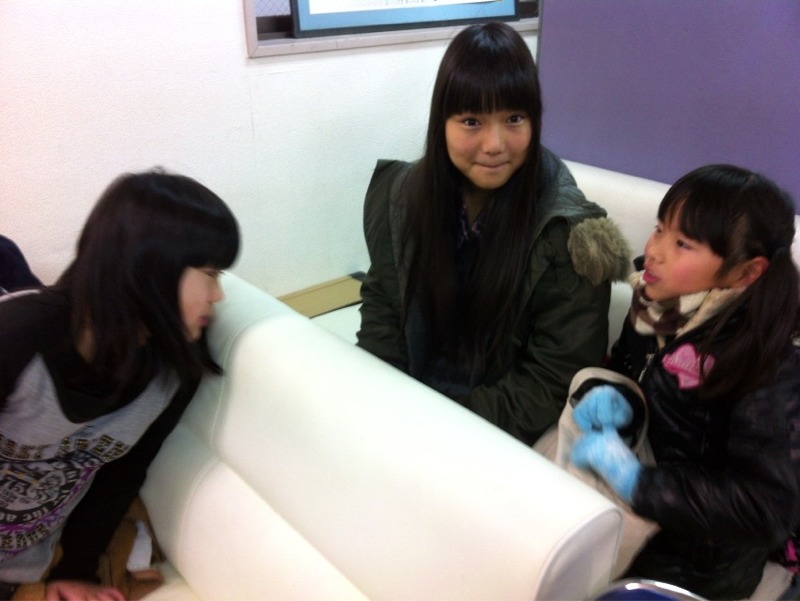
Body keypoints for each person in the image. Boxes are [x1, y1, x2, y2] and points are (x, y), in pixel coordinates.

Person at [356, 21, 630, 446]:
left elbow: (550, 381)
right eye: (471, 121)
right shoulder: (401, 197)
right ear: (442, 122)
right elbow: (383, 317)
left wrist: (438, 424)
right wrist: (380, 403)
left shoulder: (572, 236)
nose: (495, 144)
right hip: (410, 409)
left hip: (493, 434)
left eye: (514, 119)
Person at [556, 164, 800, 599]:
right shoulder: (657, 305)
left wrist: (638, 483)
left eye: (682, 243)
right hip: (628, 512)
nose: (654, 250)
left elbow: (766, 508)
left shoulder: (769, 362)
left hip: (696, 565)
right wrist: (617, 396)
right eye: (659, 229)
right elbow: (631, 366)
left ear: (746, 273)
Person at [0, 169, 240, 600]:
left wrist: (77, 570)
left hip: (25, 564)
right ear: (150, 267)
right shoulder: (15, 337)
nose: (217, 295)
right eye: (210, 273)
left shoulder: (173, 372)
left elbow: (121, 474)